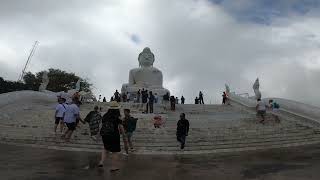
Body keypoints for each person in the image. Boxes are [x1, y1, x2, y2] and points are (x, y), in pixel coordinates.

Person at [99, 101, 126, 172]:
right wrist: (124, 135)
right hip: (114, 135)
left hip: (105, 134)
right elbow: (121, 127)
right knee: (114, 151)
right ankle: (114, 167)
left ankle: (101, 162)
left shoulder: (105, 115)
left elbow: (102, 125)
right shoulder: (118, 116)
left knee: (105, 148)